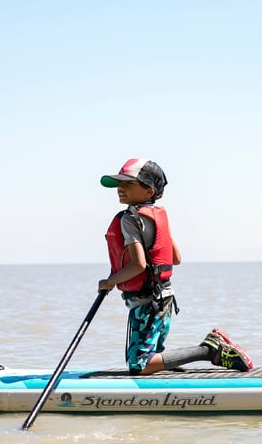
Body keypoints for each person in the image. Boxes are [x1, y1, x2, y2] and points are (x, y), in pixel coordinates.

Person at [97, 158, 253, 375]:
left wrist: (109, 282)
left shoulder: (130, 219)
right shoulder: (157, 215)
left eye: (128, 184)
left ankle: (209, 350)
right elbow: (175, 257)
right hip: (165, 297)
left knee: (139, 365)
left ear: (149, 190)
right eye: (119, 184)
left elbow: (138, 265)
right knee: (154, 357)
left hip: (147, 302)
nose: (120, 189)